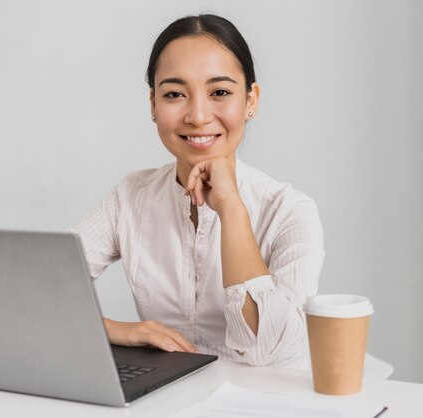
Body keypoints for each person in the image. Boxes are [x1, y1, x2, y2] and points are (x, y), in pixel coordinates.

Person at [72, 14, 324, 367]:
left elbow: (267, 349)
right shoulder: (130, 197)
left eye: (219, 92)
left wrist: (231, 208)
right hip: (164, 399)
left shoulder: (290, 211)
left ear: (251, 100)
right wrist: (117, 330)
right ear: (153, 105)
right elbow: (31, 294)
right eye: (175, 94)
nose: (198, 115)